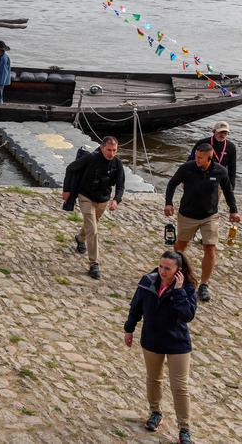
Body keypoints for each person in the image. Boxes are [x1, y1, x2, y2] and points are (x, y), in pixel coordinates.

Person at [123, 250, 198, 444]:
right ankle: (155, 412)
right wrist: (129, 329)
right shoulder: (148, 281)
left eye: (168, 268)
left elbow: (187, 315)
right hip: (152, 339)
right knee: (154, 379)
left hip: (177, 342)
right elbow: (136, 306)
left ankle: (184, 428)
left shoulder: (187, 288)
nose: (163, 271)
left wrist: (179, 291)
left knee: (180, 386)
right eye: (161, 266)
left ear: (177, 270)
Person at [164, 143, 239, 302]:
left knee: (210, 248)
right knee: (180, 248)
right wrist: (168, 203)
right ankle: (177, 275)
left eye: (200, 157)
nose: (196, 159)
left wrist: (234, 210)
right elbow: (172, 184)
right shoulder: (187, 168)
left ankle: (204, 285)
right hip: (187, 215)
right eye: (195, 156)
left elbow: (228, 191)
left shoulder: (220, 171)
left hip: (210, 216)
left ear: (209, 158)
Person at [62, 136, 125, 279]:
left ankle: (80, 238)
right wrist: (67, 189)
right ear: (102, 148)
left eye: (114, 150)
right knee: (94, 230)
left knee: (91, 225)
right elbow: (71, 168)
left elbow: (120, 185)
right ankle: (94, 264)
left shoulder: (117, 164)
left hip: (103, 200)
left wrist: (116, 200)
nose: (111, 153)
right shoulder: (91, 158)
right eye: (108, 150)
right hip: (86, 197)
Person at [189, 120, 235, 189]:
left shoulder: (231, 146)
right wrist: (185, 177)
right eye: (220, 132)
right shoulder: (202, 142)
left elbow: (232, 167)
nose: (222, 135)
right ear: (214, 131)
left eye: (225, 133)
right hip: (201, 176)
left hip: (218, 178)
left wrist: (231, 184)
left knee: (214, 199)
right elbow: (191, 159)